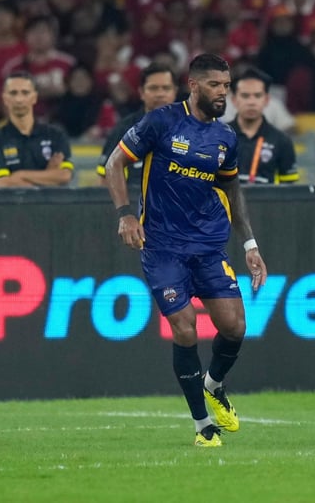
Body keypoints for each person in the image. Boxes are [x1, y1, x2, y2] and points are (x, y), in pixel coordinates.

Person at [103, 54, 268, 448]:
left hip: (209, 246)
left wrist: (250, 244)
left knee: (235, 327)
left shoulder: (225, 138)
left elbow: (231, 189)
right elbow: (114, 164)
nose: (222, 93)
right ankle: (202, 425)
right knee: (185, 328)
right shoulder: (161, 122)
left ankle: (213, 383)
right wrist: (126, 214)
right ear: (193, 85)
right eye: (215, 85)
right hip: (162, 247)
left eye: (226, 86)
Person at [96, 63, 178, 193]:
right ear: (141, 92)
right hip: (136, 205)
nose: (160, 94)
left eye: (166, 88)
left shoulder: (191, 127)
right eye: (153, 88)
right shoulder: (124, 130)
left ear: (175, 92)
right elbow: (105, 179)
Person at [0, 71, 73, 188]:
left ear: (34, 97)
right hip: (14, 206)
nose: (19, 99)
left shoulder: (55, 134)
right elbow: (1, 183)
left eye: (25, 93)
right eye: (13, 93)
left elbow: (64, 176)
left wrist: (20, 175)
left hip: (49, 207)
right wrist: (47, 176)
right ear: (5, 98)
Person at [231, 67, 298, 185]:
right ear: (234, 100)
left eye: (257, 96)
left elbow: (288, 190)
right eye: (245, 96)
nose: (251, 102)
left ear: (266, 100)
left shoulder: (282, 141)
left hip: (268, 203)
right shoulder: (219, 137)